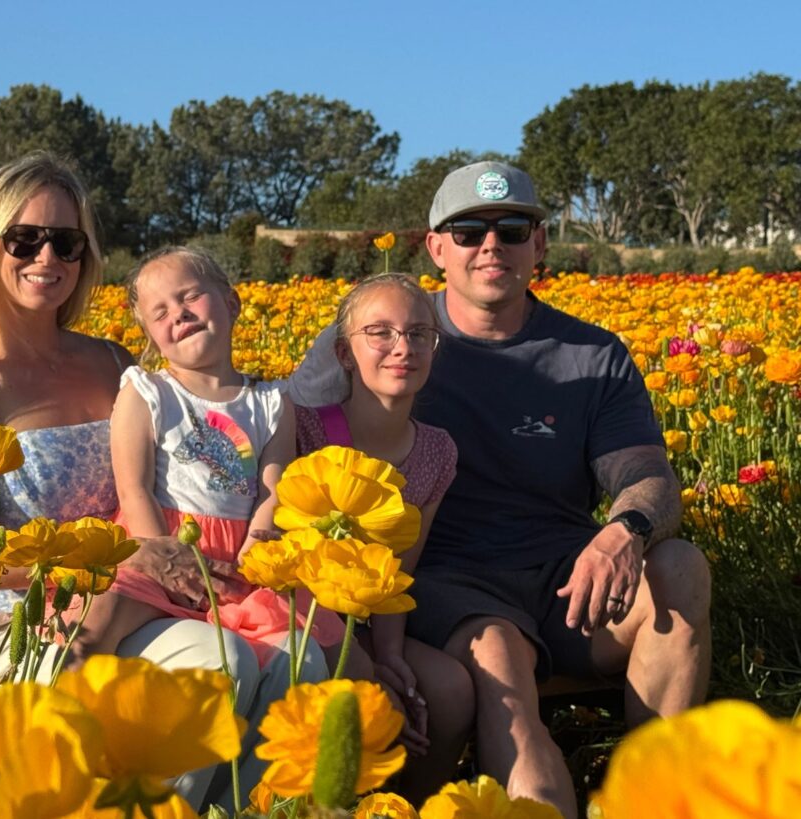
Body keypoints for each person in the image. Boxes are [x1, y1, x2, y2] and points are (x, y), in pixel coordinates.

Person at [288, 161, 712, 819]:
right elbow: (286, 437)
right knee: (498, 653)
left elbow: (648, 477)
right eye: (468, 232)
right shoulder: (390, 333)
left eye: (513, 229)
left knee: (680, 569)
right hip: (445, 576)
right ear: (435, 248)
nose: (492, 245)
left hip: (565, 580)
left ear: (539, 245)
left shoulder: (592, 355)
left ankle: (656, 793)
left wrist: (623, 531)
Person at [79, 246, 333, 811]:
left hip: (236, 565)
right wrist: (166, 559)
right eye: (160, 311)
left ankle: (242, 800)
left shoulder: (270, 401)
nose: (179, 313)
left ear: (232, 301)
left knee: (306, 660)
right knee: (147, 641)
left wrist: (257, 554)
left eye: (191, 295)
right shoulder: (148, 392)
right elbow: (134, 489)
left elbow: (272, 493)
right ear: (148, 332)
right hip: (157, 552)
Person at [0, 151, 135, 678]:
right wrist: (105, 562)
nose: (47, 256)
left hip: (131, 600)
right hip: (18, 621)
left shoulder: (113, 363)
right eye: (25, 238)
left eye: (66, 241)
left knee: (235, 659)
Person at [293, 272, 474, 801]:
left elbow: (399, 570)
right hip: (303, 620)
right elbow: (290, 562)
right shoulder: (303, 428)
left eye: (420, 334)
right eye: (380, 333)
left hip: (370, 622)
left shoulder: (438, 451)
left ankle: (407, 807)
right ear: (344, 354)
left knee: (450, 690)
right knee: (383, 709)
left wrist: (390, 653)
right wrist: (367, 665)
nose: (403, 348)